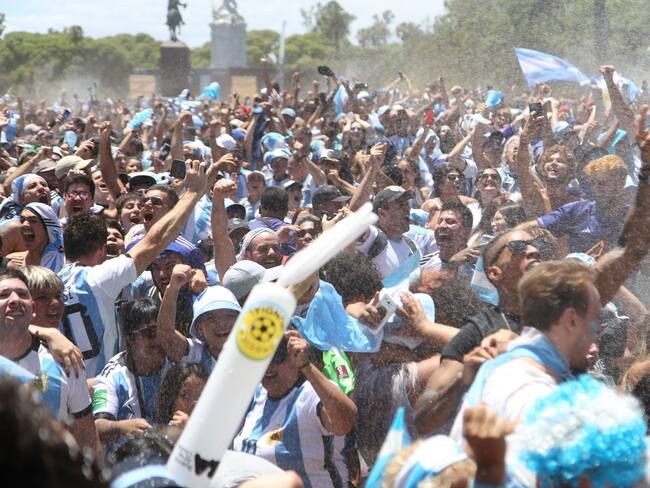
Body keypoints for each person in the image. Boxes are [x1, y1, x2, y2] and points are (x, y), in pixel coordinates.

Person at [59, 159, 214, 377]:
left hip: (62, 389)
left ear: (65, 248)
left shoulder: (51, 284)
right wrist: (192, 193)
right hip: (97, 388)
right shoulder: (100, 278)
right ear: (102, 249)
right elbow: (155, 241)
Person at [232, 331, 357, 488]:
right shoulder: (258, 394)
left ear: (294, 356)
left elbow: (345, 422)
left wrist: (306, 365)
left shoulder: (311, 394)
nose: (269, 367)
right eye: (263, 358)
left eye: (278, 357)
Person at [0, 268, 97, 452]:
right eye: (43, 297)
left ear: (31, 308)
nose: (55, 303)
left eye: (22, 294)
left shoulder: (66, 358)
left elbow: (86, 436)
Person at [92, 298, 170, 446]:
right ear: (130, 339)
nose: (158, 340)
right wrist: (121, 427)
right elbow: (97, 426)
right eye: (150, 333)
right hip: (127, 462)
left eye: (162, 331)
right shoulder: (112, 375)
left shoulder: (176, 362)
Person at [154, 362, 209, 429]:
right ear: (170, 400)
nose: (195, 403)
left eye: (201, 397)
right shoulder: (155, 436)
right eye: (186, 396)